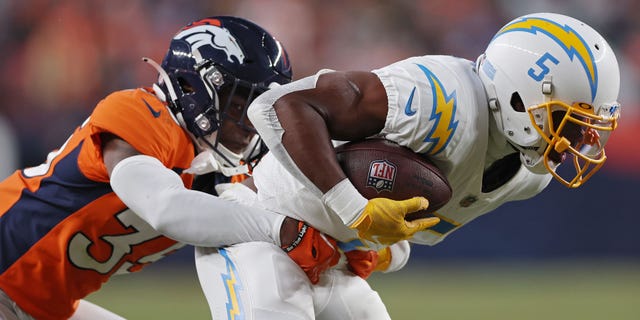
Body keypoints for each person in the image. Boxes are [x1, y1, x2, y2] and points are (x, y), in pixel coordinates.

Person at [194, 12, 622, 319]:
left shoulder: (528, 177)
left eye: (585, 128)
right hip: (258, 225)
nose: (572, 143)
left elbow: (409, 220)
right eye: (565, 121)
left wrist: (377, 249)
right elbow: (280, 107)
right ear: (518, 94)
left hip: (325, 257)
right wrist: (352, 207)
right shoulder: (439, 97)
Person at [0, 16, 340, 320]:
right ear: (191, 86)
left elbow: (284, 210)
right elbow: (165, 206)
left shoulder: (220, 168)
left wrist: (348, 246)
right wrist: (281, 230)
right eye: (238, 103)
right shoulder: (139, 113)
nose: (250, 124)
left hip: (44, 300)